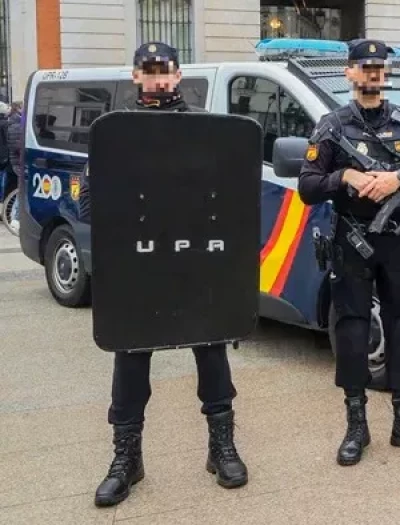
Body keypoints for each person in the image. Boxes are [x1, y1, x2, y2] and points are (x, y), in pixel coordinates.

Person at [91, 42, 247, 508]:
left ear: (179, 76)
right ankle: (126, 459)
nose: (159, 80)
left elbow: (226, 197)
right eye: (150, 72)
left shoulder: (204, 130)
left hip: (196, 260)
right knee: (131, 354)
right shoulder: (115, 133)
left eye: (166, 72)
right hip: (139, 263)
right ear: (135, 76)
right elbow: (92, 202)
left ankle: (222, 448)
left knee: (212, 348)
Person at [298, 39, 400, 464]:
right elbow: (308, 187)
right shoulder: (332, 126)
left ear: (386, 74)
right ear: (349, 73)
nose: (372, 73)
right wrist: (343, 175)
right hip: (352, 239)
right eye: (364, 67)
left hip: (398, 239)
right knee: (351, 328)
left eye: (378, 67)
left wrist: (399, 177)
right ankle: (356, 424)